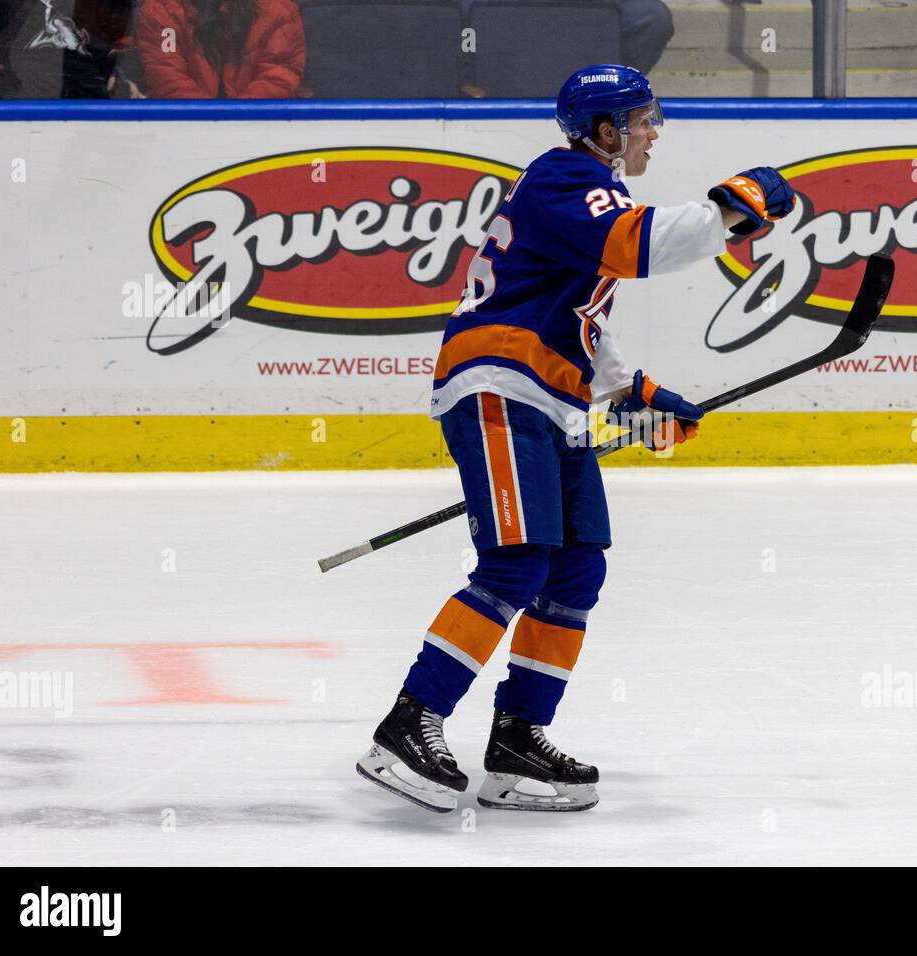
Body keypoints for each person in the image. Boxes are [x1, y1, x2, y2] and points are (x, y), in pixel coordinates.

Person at [356, 63, 796, 813]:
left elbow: (578, 317)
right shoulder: (563, 177)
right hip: (498, 386)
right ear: (604, 131)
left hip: (551, 397)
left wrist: (631, 392)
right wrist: (732, 206)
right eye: (643, 119)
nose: (653, 132)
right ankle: (407, 725)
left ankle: (518, 740)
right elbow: (641, 246)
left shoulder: (589, 190)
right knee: (517, 564)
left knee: (574, 572)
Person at [134, 0, 304, 98]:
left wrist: (240, 117)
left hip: (261, 130)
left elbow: (279, 74)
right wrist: (208, 120)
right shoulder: (161, 10)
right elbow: (167, 75)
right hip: (184, 130)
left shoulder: (278, 10)